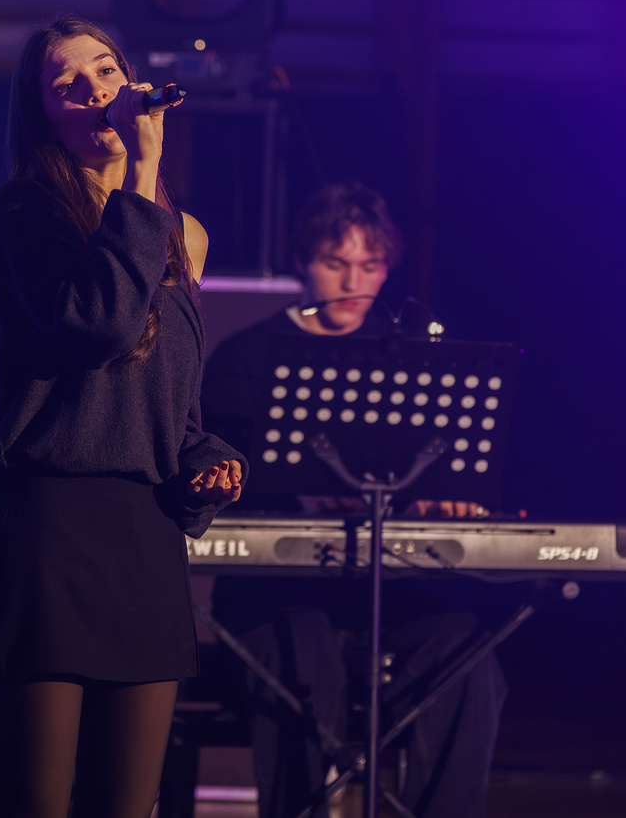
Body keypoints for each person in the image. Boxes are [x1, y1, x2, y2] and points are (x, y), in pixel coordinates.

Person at [0, 15, 246, 818]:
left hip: (144, 531)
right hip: (52, 526)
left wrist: (204, 460)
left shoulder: (183, 237)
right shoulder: (26, 215)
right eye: (68, 83)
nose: (95, 90)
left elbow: (171, 402)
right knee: (38, 801)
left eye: (107, 70)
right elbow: (100, 326)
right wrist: (144, 169)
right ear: (44, 114)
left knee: (127, 803)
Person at [200, 182, 508, 818]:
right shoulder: (246, 357)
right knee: (301, 656)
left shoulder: (412, 355)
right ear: (302, 262)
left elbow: (441, 467)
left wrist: (441, 499)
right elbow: (219, 481)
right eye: (335, 263)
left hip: (383, 592)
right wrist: (303, 493)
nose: (352, 282)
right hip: (276, 590)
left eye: (370, 266)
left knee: (466, 656)